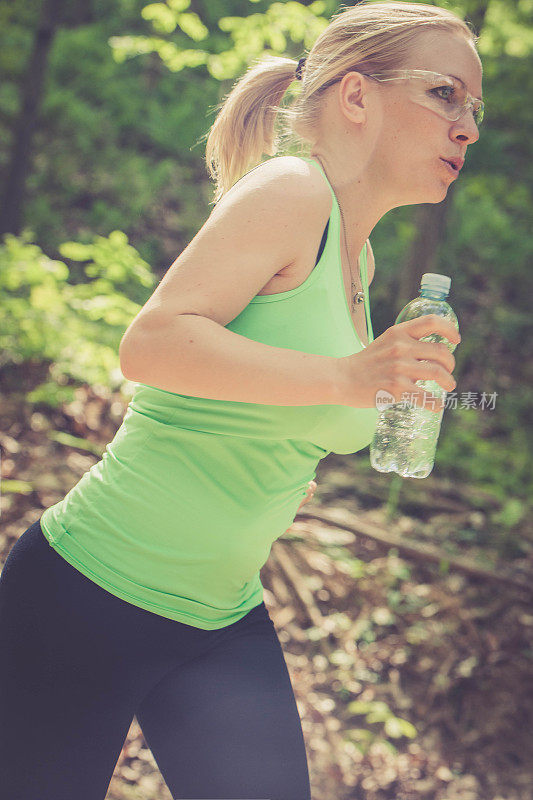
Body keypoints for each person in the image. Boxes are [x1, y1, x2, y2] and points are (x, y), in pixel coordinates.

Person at [0, 2, 480, 798]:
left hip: (218, 619)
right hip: (88, 596)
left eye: (473, 106)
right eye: (444, 94)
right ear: (355, 95)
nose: (465, 126)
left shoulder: (356, 267)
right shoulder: (293, 192)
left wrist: (384, 397)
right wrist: (349, 380)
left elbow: (272, 414)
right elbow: (148, 346)